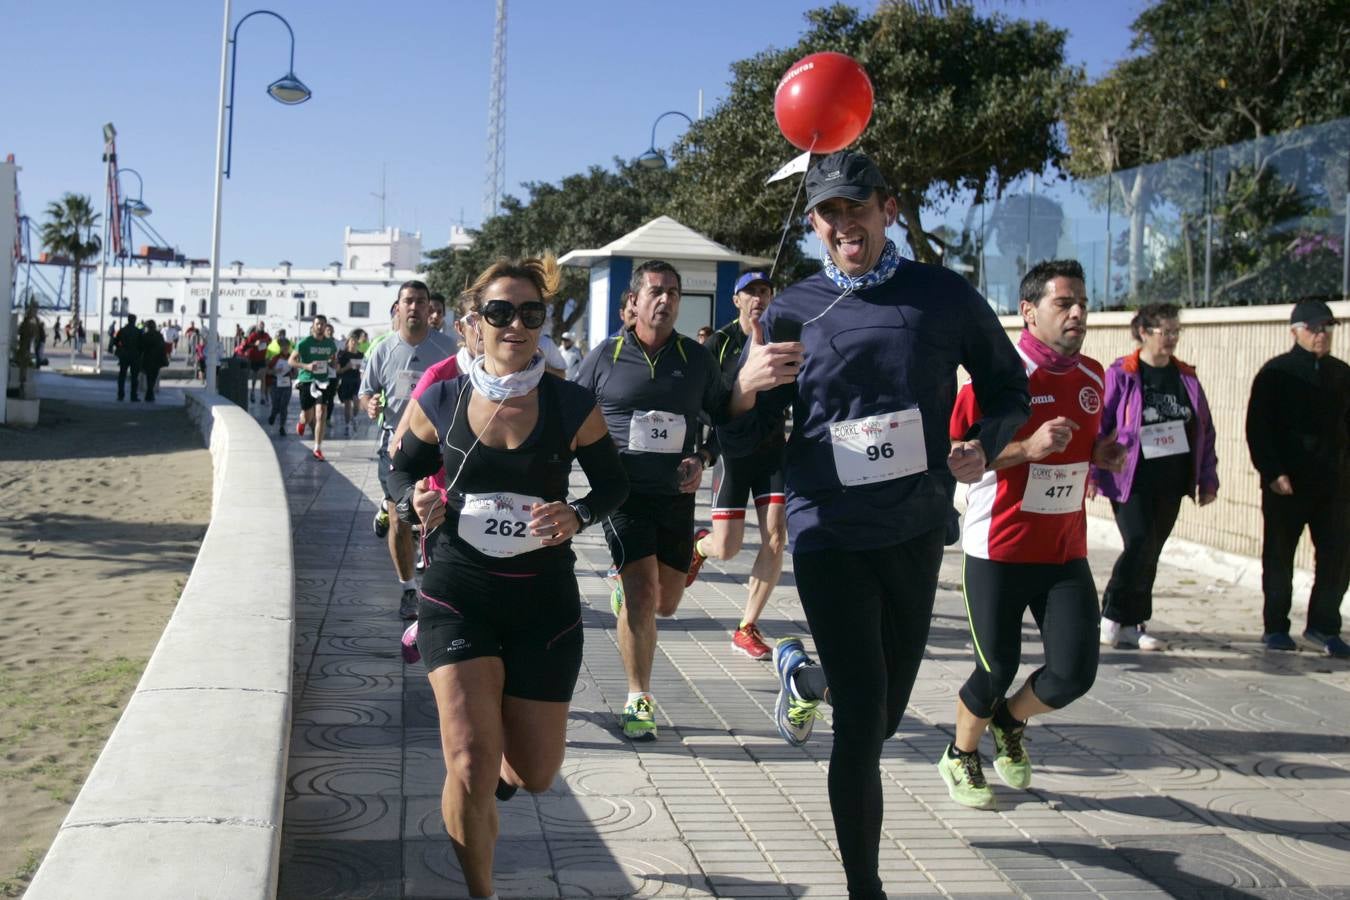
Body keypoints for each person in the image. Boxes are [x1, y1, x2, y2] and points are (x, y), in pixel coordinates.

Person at [719, 150, 1029, 900]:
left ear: (887, 208)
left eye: (856, 206)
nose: (843, 223)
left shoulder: (942, 294)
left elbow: (1007, 386)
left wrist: (982, 445)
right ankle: (867, 887)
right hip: (826, 524)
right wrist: (740, 391)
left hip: (916, 524)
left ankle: (802, 670)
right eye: (828, 212)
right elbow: (748, 438)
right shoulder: (793, 306)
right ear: (816, 225)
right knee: (862, 723)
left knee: (884, 714)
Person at [387, 255, 628, 900]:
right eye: (499, 311)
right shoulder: (440, 397)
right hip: (457, 595)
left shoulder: (571, 402)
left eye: (529, 312)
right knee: (468, 761)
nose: (514, 324)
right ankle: (481, 890)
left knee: (537, 772)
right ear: (474, 322)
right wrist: (413, 498)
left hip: (543, 604)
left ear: (542, 323)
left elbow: (613, 484)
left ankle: (494, 784)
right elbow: (397, 469)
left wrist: (575, 515)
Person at [939, 260, 1125, 809]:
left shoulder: (1095, 377)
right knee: (996, 666)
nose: (1077, 313)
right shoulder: (998, 379)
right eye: (1064, 303)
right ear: (1028, 311)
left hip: (1063, 552)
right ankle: (960, 754)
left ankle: (1008, 721)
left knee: (1073, 674)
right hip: (997, 548)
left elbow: (1083, 445)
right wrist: (1027, 449)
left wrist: (1099, 454)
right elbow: (955, 458)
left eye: (1082, 303)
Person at [574, 260, 748, 740]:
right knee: (642, 595)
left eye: (673, 292)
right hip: (622, 496)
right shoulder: (604, 357)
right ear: (634, 301)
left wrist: (704, 456)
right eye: (656, 291)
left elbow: (724, 417)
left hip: (675, 498)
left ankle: (677, 561)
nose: (666, 300)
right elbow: (569, 415)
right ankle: (638, 699)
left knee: (666, 603)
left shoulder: (696, 359)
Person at [1090, 302, 1219, 652]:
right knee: (1138, 543)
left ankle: (1134, 622)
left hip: (1172, 478)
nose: (1172, 338)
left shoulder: (1186, 377)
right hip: (1130, 477)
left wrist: (1207, 478)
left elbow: (1204, 429)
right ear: (1144, 332)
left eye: (1176, 331)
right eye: (1166, 331)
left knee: (1152, 550)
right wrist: (1091, 470)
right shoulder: (1123, 374)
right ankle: (1112, 614)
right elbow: (1098, 426)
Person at [687, 271, 787, 660]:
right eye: (751, 292)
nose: (759, 298)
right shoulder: (719, 343)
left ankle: (747, 626)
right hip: (732, 452)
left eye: (764, 291)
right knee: (727, 547)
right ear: (736, 300)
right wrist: (703, 450)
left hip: (773, 450)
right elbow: (700, 402)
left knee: (776, 536)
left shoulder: (781, 338)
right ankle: (701, 545)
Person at [1245, 299, 1350, 658]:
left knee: (1337, 556)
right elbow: (1259, 428)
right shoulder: (1276, 374)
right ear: (1296, 331)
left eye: (1328, 328)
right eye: (1315, 328)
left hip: (1335, 486)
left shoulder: (1342, 374)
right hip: (1287, 486)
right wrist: (1272, 472)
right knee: (1279, 556)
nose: (1322, 334)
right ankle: (1276, 626)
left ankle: (1324, 626)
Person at [359, 281, 456, 619]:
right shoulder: (383, 349)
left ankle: (441, 588)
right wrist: (369, 404)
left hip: (441, 451)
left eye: (420, 301)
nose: (414, 307)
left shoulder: (448, 348)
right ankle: (408, 589)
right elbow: (366, 391)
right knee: (401, 518)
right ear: (397, 308)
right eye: (408, 301)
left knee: (438, 521)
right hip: (395, 449)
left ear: (430, 308)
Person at [290, 315, 340, 461]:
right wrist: (306, 366)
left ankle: (317, 448)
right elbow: (291, 361)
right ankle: (302, 421)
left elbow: (333, 360)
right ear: (313, 326)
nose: (320, 327)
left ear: (326, 327)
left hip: (323, 381)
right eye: (318, 324)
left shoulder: (330, 344)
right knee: (308, 416)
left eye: (323, 324)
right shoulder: (304, 343)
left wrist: (333, 364)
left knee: (321, 413)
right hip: (307, 380)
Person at [336, 334, 365, 436]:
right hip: (346, 380)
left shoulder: (361, 355)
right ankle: (347, 425)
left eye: (355, 341)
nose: (353, 343)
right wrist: (347, 367)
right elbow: (338, 371)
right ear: (347, 343)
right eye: (351, 341)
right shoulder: (343, 354)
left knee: (357, 403)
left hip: (356, 380)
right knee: (347, 405)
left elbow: (364, 367)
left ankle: (355, 418)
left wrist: (361, 369)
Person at [266, 337, 295, 435]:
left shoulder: (292, 358)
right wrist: (274, 371)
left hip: (287, 383)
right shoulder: (275, 358)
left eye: (287, 347)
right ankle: (273, 415)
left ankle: (282, 426)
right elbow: (267, 371)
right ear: (281, 348)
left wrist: (293, 371)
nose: (285, 349)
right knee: (276, 405)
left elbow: (295, 372)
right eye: (283, 347)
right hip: (276, 383)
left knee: (284, 405)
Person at [113, 313, 143, 402]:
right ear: (134, 320)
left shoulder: (122, 330)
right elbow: (142, 344)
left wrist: (120, 348)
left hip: (124, 355)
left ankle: (120, 395)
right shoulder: (138, 331)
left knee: (122, 376)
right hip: (135, 356)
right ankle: (133, 396)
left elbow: (115, 341)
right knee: (134, 377)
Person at [139, 320, 170, 402]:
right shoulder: (159, 335)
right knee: (153, 377)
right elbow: (163, 348)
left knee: (149, 376)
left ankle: (149, 393)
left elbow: (141, 347)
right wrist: (164, 358)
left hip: (147, 359)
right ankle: (150, 393)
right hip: (157, 359)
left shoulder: (145, 335)